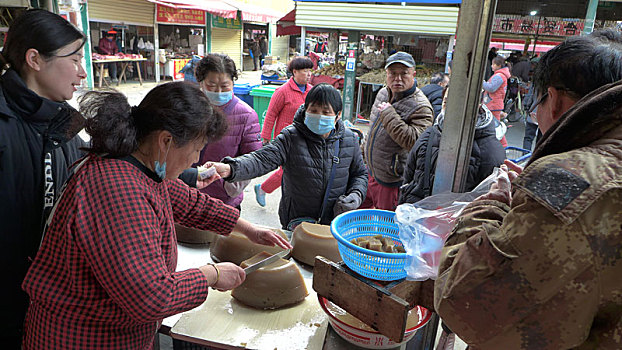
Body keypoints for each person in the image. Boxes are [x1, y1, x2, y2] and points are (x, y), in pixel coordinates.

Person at [21, 82, 291, 349]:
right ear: (166, 140)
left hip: (120, 333)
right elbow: (151, 297)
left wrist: (248, 229)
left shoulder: (141, 164)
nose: (195, 161)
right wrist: (212, 274)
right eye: (197, 149)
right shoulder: (118, 189)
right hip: (81, 338)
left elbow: (191, 203)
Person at [423, 29, 622, 349]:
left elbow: (462, 302)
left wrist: (494, 202)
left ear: (554, 100)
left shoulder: (568, 180)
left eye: (537, 101)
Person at [0, 10, 88, 347]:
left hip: (42, 298)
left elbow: (97, 166)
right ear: (35, 59)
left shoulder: (60, 122)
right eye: (75, 59)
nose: (82, 72)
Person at [212, 84, 368, 230]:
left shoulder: (349, 139)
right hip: (297, 221)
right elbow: (261, 159)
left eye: (326, 112)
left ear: (337, 115)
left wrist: (356, 194)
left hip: (335, 224)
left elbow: (360, 174)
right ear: (305, 110)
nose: (319, 116)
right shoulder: (291, 137)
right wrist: (231, 168)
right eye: (313, 111)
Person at [360, 51, 434, 211]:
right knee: (362, 212)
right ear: (386, 74)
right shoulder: (383, 93)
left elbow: (415, 142)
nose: (397, 79)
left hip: (391, 180)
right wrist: (364, 151)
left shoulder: (421, 106)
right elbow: (373, 127)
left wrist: (389, 114)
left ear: (413, 74)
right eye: (393, 73)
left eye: (404, 74)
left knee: (383, 223)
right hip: (372, 171)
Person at [399, 101, 505, 205]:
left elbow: (488, 203)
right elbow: (409, 176)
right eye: (446, 101)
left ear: (478, 104)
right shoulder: (429, 135)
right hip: (417, 213)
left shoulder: (491, 150)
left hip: (459, 219)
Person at [193, 53, 261, 209]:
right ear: (201, 82)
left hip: (223, 201)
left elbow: (254, 159)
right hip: (186, 194)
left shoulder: (246, 115)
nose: (218, 91)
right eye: (211, 85)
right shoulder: (189, 107)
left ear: (233, 82)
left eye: (224, 86)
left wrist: (231, 185)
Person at [255, 56, 313, 207]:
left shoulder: (311, 91)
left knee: (296, 170)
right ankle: (263, 189)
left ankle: (263, 189)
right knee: (288, 170)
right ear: (294, 72)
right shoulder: (283, 91)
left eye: (310, 71)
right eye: (305, 71)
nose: (309, 74)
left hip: (305, 138)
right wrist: (266, 138)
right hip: (285, 138)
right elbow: (271, 114)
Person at [483, 55, 511, 147]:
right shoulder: (501, 75)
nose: (491, 66)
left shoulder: (499, 76)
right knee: (495, 126)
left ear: (498, 65)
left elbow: (491, 88)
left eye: (493, 64)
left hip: (493, 104)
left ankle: (503, 146)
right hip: (495, 104)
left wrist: (482, 82)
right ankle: (502, 146)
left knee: (496, 127)